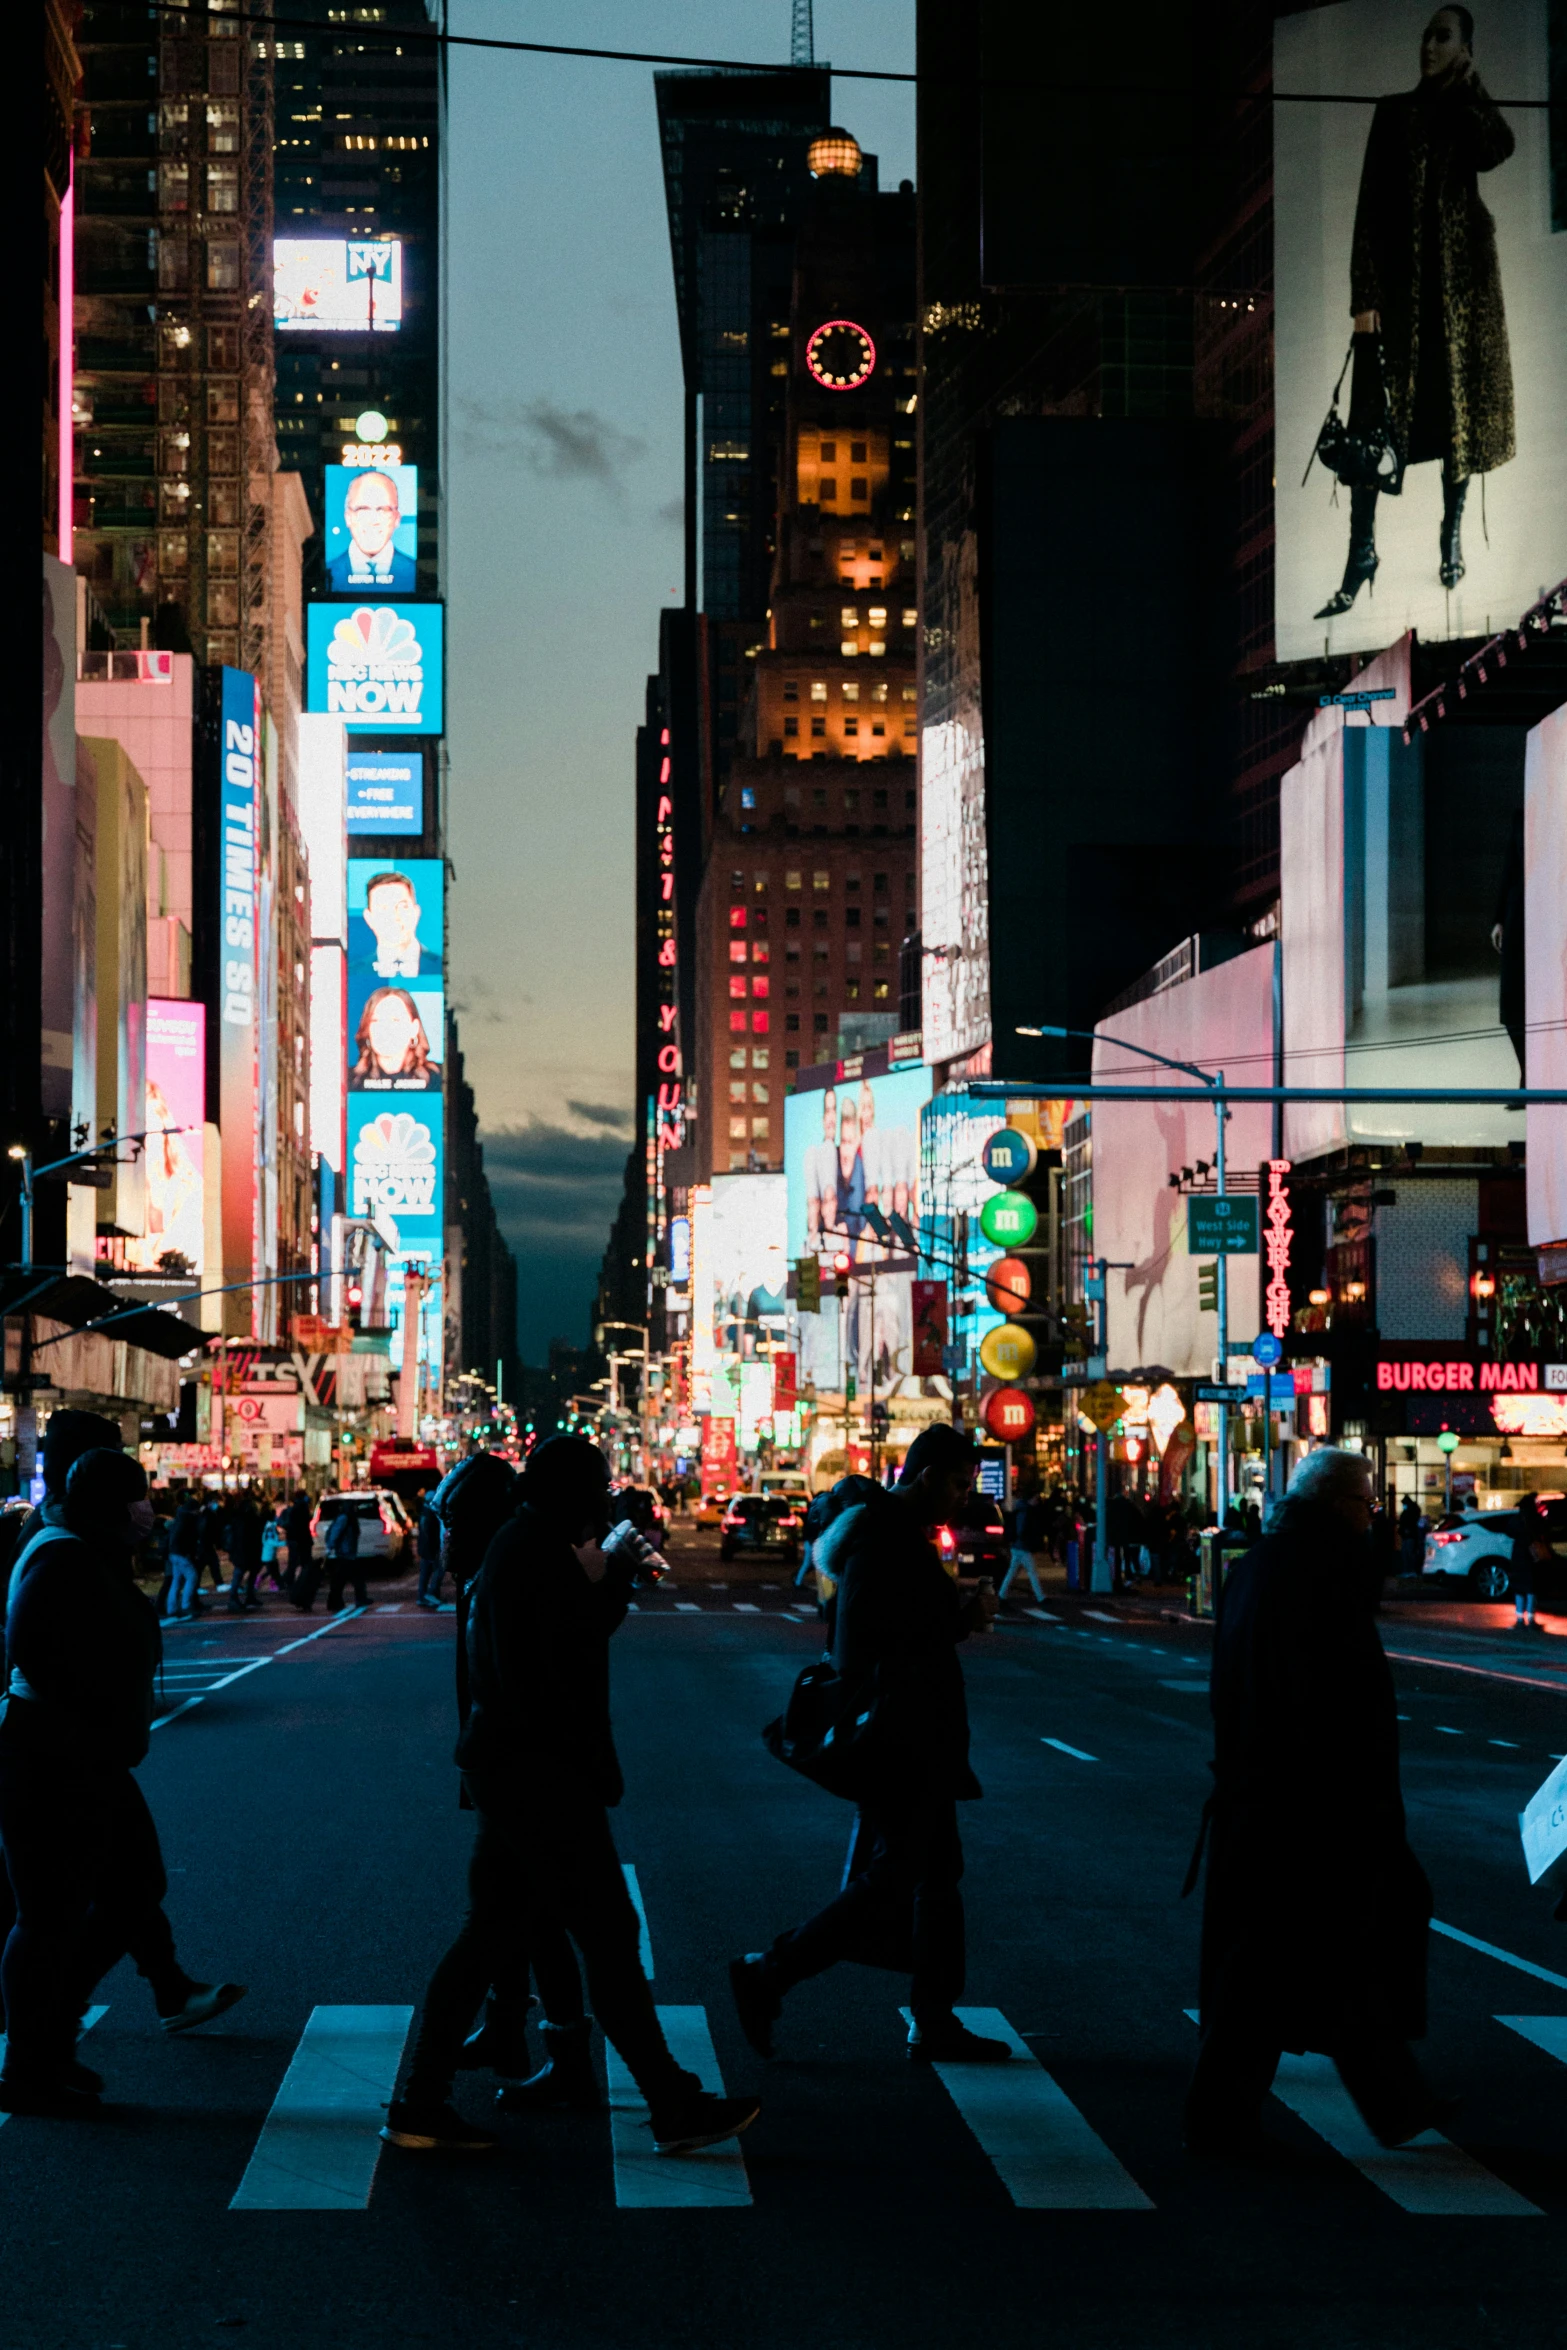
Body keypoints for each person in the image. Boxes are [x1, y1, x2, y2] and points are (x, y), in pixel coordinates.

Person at [383, 1436, 760, 2155]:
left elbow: (561, 1641)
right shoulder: (532, 1553)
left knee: (491, 1942)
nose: (603, 1499)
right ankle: (671, 2104)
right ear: (568, 1492)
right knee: (608, 1943)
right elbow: (565, 1654)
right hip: (544, 1780)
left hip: (515, 1775)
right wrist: (616, 1573)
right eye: (597, 1487)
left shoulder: (522, 1549)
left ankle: (420, 2102)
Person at [1183, 1447, 1446, 2157]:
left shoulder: (1263, 1564)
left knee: (1295, 1958)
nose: (1374, 1519)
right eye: (1367, 1505)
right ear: (1339, 1506)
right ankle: (1223, 2120)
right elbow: (1331, 1701)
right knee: (1296, 1959)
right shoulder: (1320, 1574)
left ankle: (1391, 2101)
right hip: (1310, 1803)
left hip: (1264, 1794)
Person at [728, 1423, 1008, 2067]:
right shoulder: (886, 1542)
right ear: (926, 1474)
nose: (964, 1497)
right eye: (960, 1484)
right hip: (902, 1737)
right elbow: (878, 1641)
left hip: (915, 1733)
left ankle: (932, 2016)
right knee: (902, 1873)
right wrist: (962, 1619)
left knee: (933, 1875)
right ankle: (771, 1970)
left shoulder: (888, 1536)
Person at [0, 1448, 245, 2114]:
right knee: (49, 1914)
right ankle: (32, 2062)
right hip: (55, 1757)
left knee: (130, 1889)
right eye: (138, 1496)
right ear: (108, 1503)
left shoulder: (85, 1550)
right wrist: (95, 1716)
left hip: (82, 1755)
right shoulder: (61, 1555)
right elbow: (32, 1648)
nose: (149, 1508)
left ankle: (48, 2040)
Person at [1315, 6, 1515, 617]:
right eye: (1426, 35)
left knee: (1456, 417)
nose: (1428, 45)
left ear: (1464, 49)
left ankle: (1450, 536)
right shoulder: (1393, 110)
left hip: (1460, 297)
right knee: (1374, 425)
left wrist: (1472, 88)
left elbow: (1497, 148)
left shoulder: (1466, 111)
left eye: (1442, 36)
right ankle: (1361, 555)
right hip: (1400, 302)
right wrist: (1363, 301)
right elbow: (1368, 209)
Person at [327, 466, 417, 594]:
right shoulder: (328, 573)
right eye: (363, 509)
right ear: (348, 518)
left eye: (383, 510)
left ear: (397, 518)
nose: (373, 520)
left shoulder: (415, 573)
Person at [351, 986, 441, 1090]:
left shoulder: (435, 1079)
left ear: (414, 1028)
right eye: (376, 1020)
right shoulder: (352, 1080)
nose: (385, 1029)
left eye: (395, 1020)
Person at [224, 1486, 264, 1613]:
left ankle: (245, 1596)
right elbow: (246, 1538)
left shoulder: (240, 1519)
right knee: (239, 1575)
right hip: (245, 1552)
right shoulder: (246, 1521)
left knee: (245, 1575)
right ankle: (234, 1598)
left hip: (245, 1552)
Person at [166, 1492, 204, 1622]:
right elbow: (188, 1539)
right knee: (192, 1577)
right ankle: (186, 1606)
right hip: (180, 1553)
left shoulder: (180, 1518)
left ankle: (172, 1608)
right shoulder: (188, 1520)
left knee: (176, 1580)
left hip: (173, 1553)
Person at [1511, 1493, 1545, 1630]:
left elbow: (1509, 1531)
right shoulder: (1537, 1519)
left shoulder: (1516, 1519)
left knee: (1519, 1588)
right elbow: (1544, 1532)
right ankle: (1531, 1619)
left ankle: (1519, 1619)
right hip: (1532, 1556)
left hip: (1519, 1556)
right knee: (1532, 1588)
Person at [325, 1503, 366, 1613]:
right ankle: (358, 1599)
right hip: (344, 1553)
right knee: (347, 1579)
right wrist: (330, 1547)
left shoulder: (347, 1518)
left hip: (346, 1553)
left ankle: (336, 1602)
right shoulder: (345, 1518)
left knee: (341, 1580)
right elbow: (335, 1533)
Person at [282, 1488, 314, 1598]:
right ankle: (291, 1581)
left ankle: (289, 1580)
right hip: (300, 1539)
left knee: (296, 1562)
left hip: (296, 1539)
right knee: (301, 1561)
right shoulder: (301, 1508)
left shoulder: (295, 1508)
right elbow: (304, 1523)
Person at [416, 1495, 445, 1611]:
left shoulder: (424, 1512)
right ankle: (431, 1594)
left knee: (425, 1573)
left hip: (425, 1548)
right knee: (439, 1570)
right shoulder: (431, 1514)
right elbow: (430, 1533)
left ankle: (422, 1596)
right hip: (430, 1548)